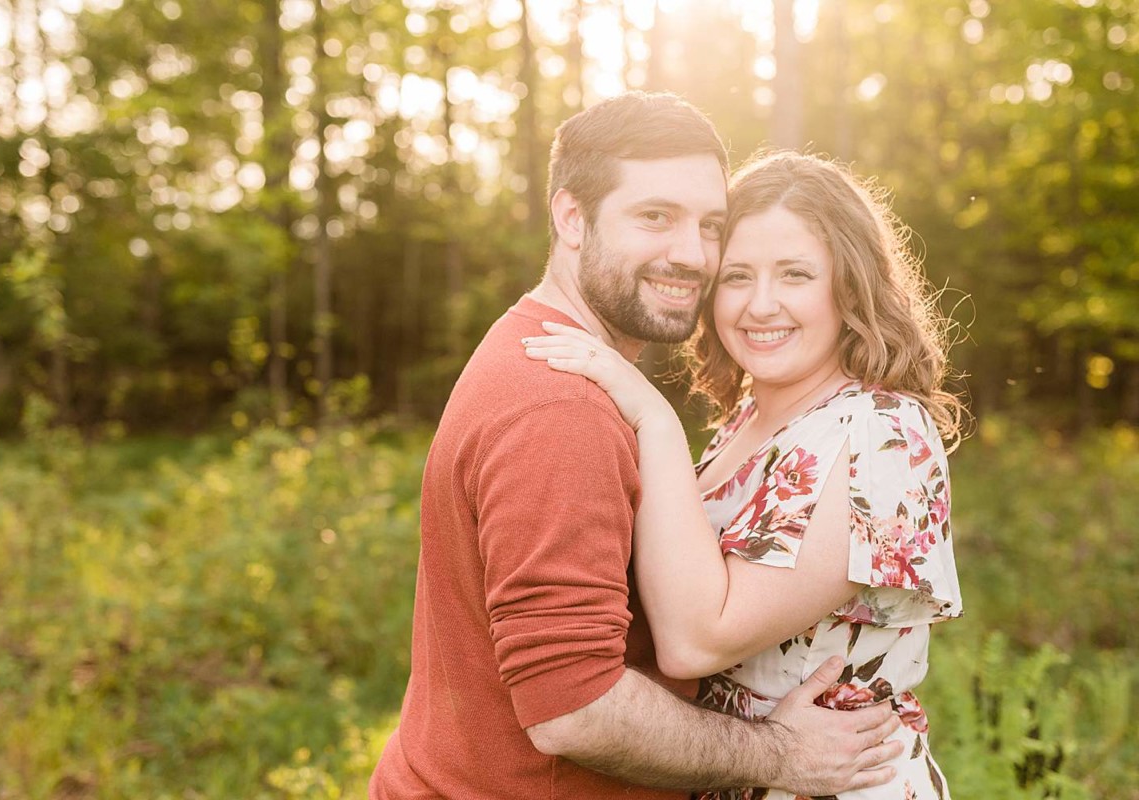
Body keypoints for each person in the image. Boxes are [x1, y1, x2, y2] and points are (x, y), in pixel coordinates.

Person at [370, 97, 903, 799]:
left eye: (710, 226)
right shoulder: (562, 408)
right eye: (654, 216)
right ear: (571, 218)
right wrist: (777, 756)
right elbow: (574, 710)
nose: (691, 254)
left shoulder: (540, 353)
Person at [524, 151, 966, 799]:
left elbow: (698, 643)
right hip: (741, 772)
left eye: (795, 274)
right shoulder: (747, 423)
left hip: (837, 783)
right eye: (736, 276)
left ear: (850, 286)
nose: (761, 305)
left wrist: (652, 416)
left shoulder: (881, 432)